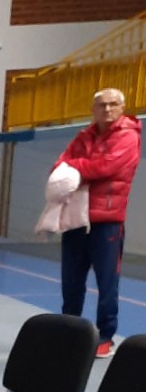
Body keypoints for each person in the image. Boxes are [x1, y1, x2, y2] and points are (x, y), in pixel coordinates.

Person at [55, 87, 141, 358]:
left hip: (107, 222)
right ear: (93, 109)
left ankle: (105, 337)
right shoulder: (84, 136)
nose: (107, 109)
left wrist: (75, 169)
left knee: (107, 284)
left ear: (122, 108)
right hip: (76, 219)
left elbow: (107, 167)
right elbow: (59, 166)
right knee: (71, 281)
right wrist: (75, 168)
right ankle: (69, 330)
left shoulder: (128, 136)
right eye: (101, 105)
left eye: (113, 104)